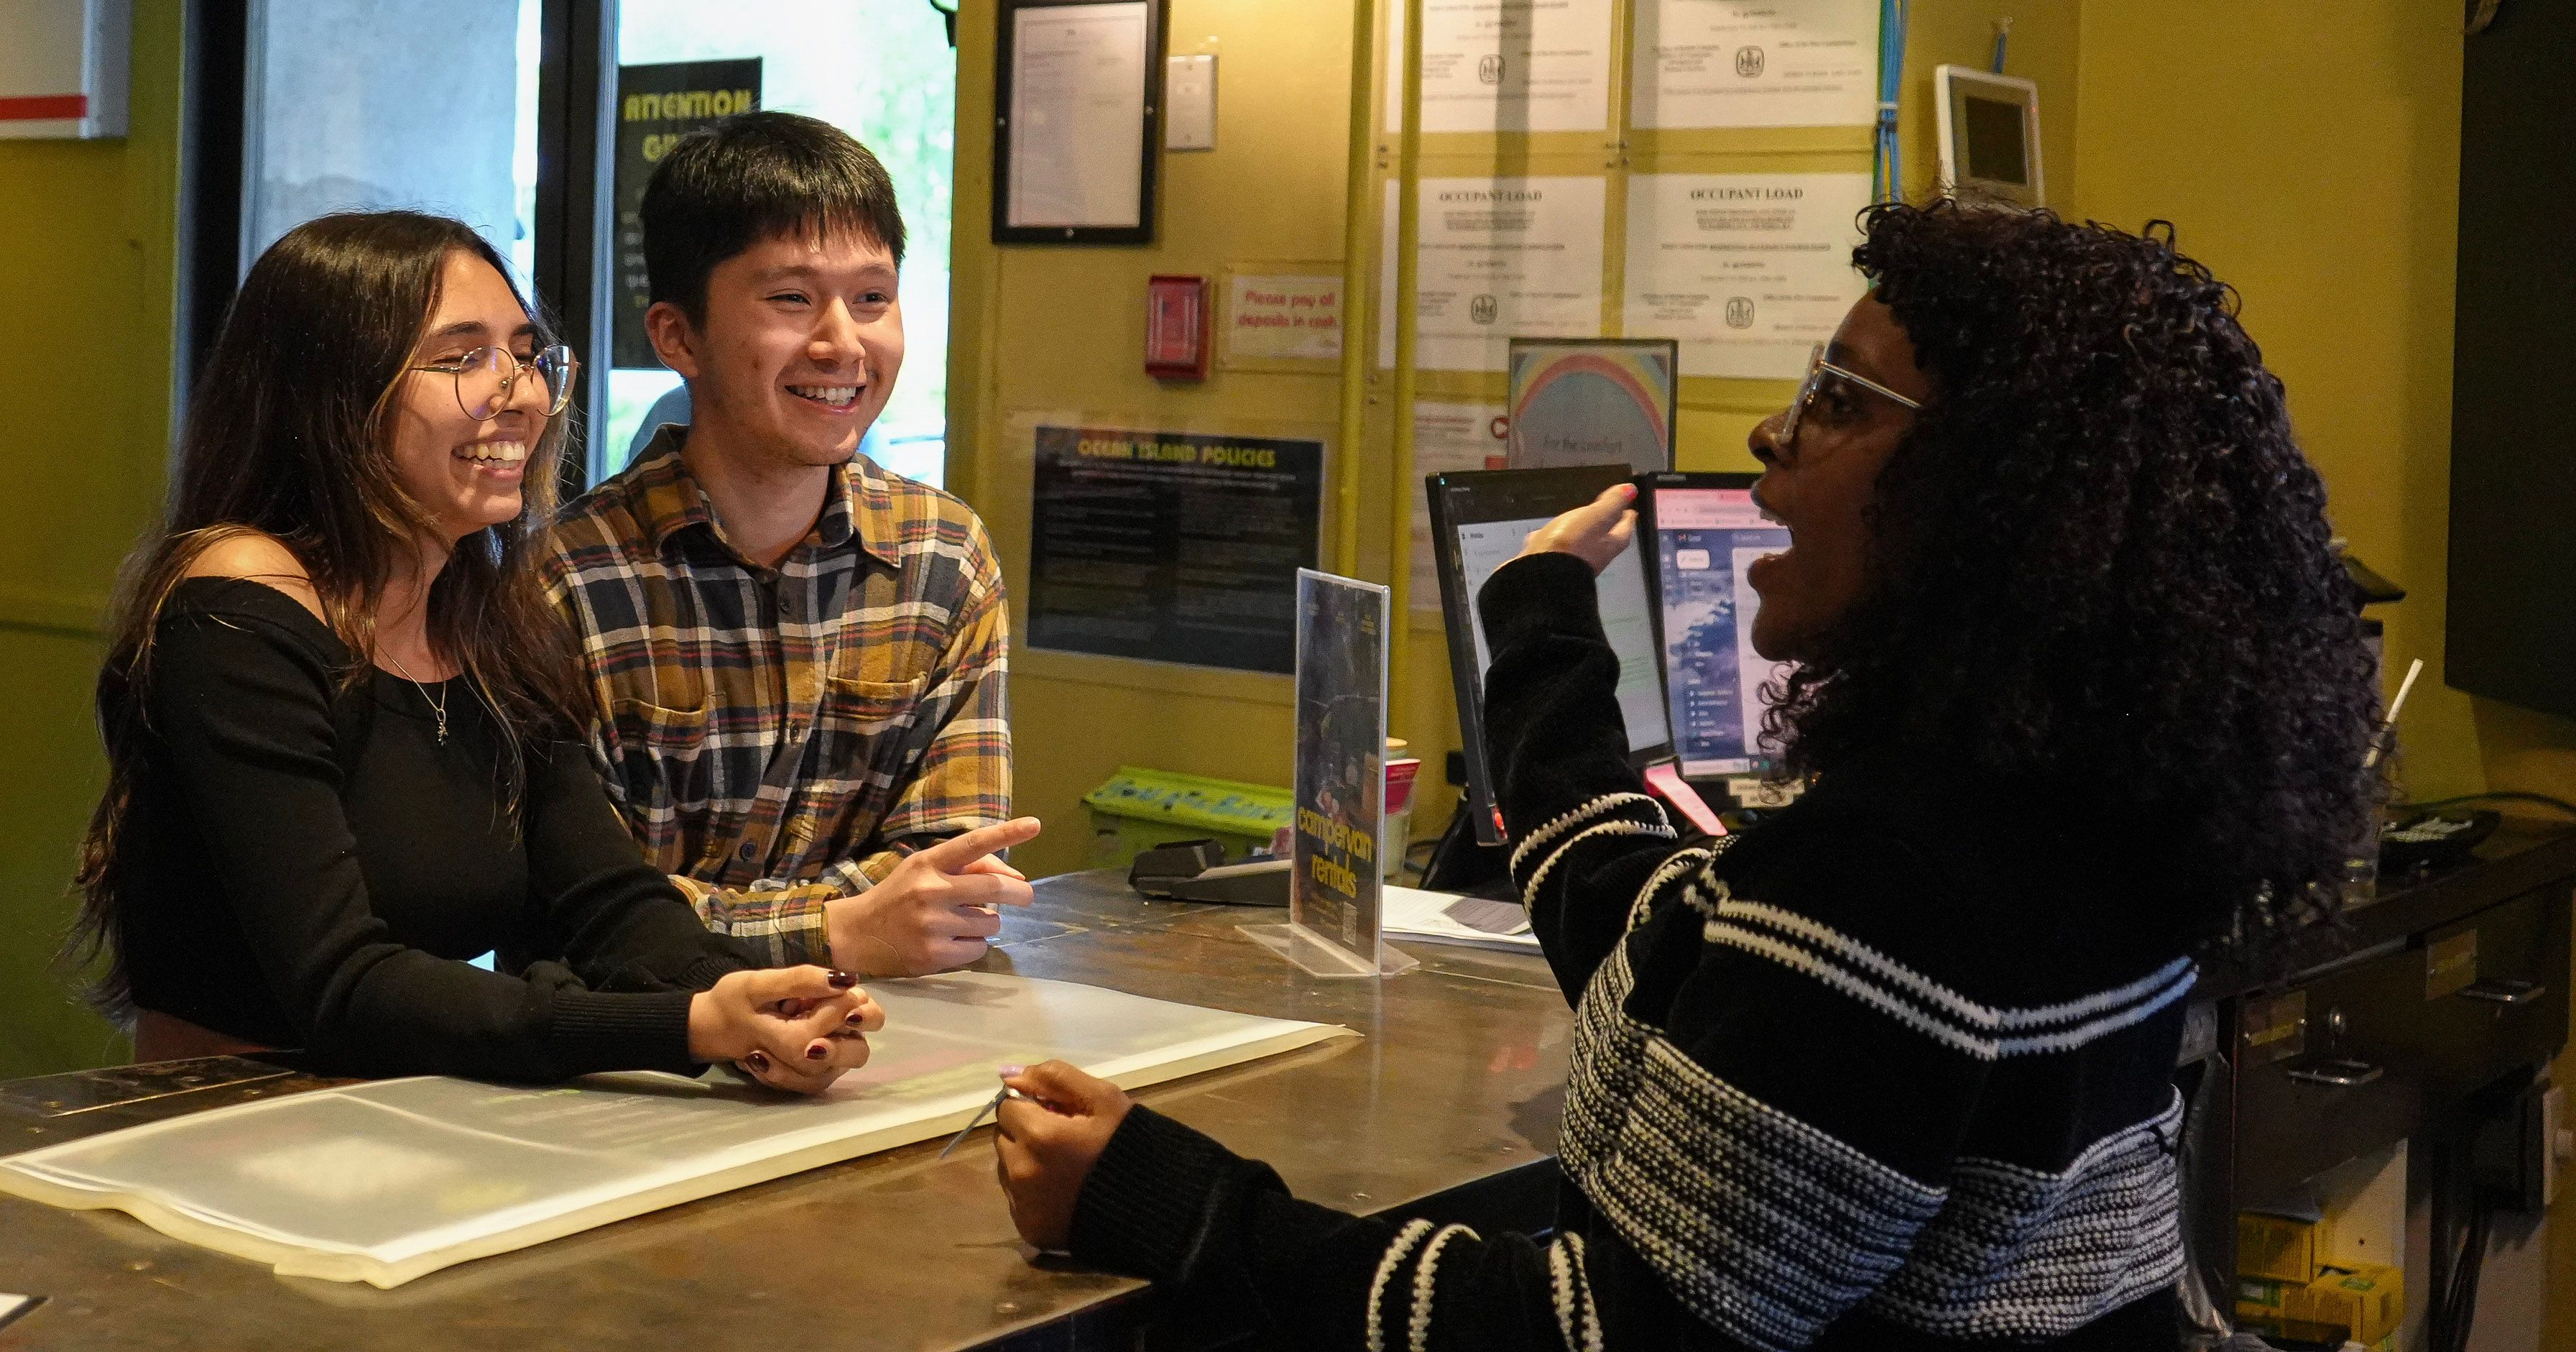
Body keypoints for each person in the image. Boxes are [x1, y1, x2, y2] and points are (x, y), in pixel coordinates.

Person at [994, 201, 2381, 1351]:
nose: (1774, 431)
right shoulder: (2083, 809)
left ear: (1986, 491)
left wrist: (1167, 1201)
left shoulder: (1892, 873)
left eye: (1835, 399)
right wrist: (1540, 621)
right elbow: (1647, 932)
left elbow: (1598, 1332)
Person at [68, 211, 879, 1092]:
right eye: (462, 358)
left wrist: (758, 1001)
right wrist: (685, 1026)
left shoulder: (486, 613)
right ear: (335, 394)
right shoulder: (239, 609)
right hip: (225, 1116)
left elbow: (603, 900)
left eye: (525, 356)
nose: (521, 394)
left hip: (411, 1104)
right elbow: (341, 984)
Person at [546, 114, 1038, 975]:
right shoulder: (568, 579)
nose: (843, 343)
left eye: (872, 299)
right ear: (678, 336)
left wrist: (759, 921)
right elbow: (583, 908)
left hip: (887, 1031)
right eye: (792, 300)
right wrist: (842, 927)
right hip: (638, 1040)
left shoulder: (941, 558)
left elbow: (950, 874)